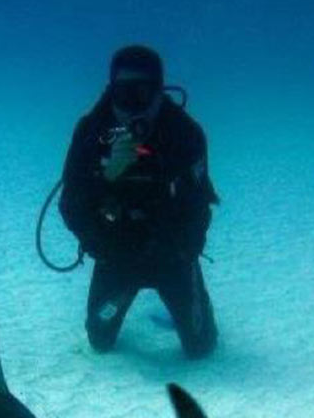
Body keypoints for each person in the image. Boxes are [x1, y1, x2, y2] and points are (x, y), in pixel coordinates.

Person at [59, 44, 219, 358]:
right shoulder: (91, 133)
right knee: (100, 341)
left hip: (171, 256)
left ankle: (188, 304)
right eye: (124, 95)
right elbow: (70, 207)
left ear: (160, 93)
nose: (133, 107)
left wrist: (183, 251)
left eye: (143, 94)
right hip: (116, 256)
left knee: (201, 348)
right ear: (111, 92)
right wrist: (107, 177)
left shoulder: (185, 134)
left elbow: (200, 205)